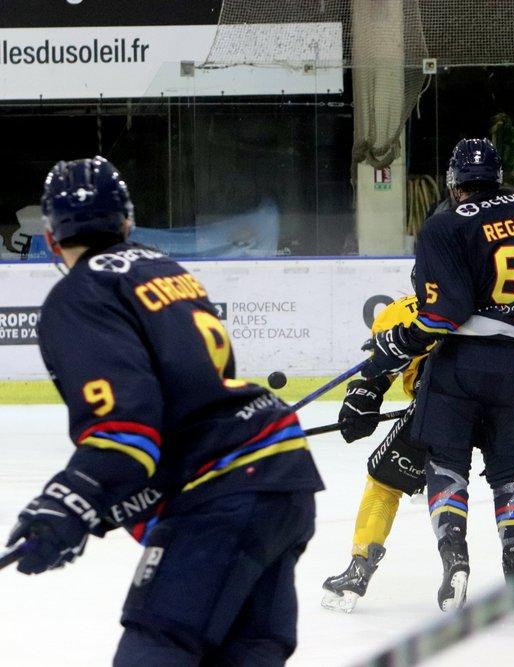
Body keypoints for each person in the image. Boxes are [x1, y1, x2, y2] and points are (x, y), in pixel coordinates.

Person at [5, 157, 323, 665]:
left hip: (222, 494)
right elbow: (186, 399)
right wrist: (92, 508)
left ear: (50, 237)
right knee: (244, 652)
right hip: (281, 479)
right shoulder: (165, 270)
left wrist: (68, 501)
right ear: (127, 223)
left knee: (157, 647)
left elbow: (126, 431)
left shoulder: (80, 293)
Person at [358, 138, 514, 612]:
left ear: (454, 182)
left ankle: (455, 560)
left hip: (460, 366)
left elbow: (446, 312)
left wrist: (397, 344)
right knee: (513, 475)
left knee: (446, 466)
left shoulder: (443, 225)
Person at [321, 294, 514, 613]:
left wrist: (361, 399)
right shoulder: (486, 302)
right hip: (499, 400)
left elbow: (381, 366)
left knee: (384, 484)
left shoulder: (401, 310)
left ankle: (360, 570)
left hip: (441, 404)